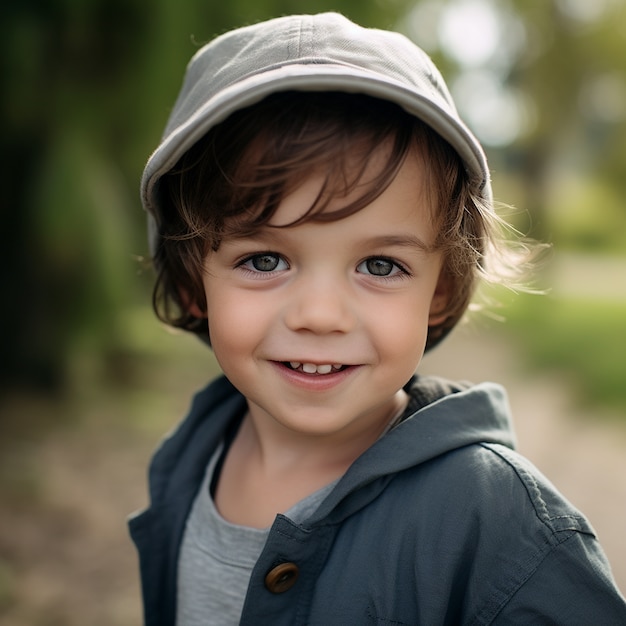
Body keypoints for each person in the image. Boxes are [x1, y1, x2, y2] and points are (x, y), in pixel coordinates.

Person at [129, 12, 626, 625]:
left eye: (381, 266)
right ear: (191, 281)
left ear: (441, 288)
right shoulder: (191, 457)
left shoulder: (498, 526)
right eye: (264, 259)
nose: (319, 315)